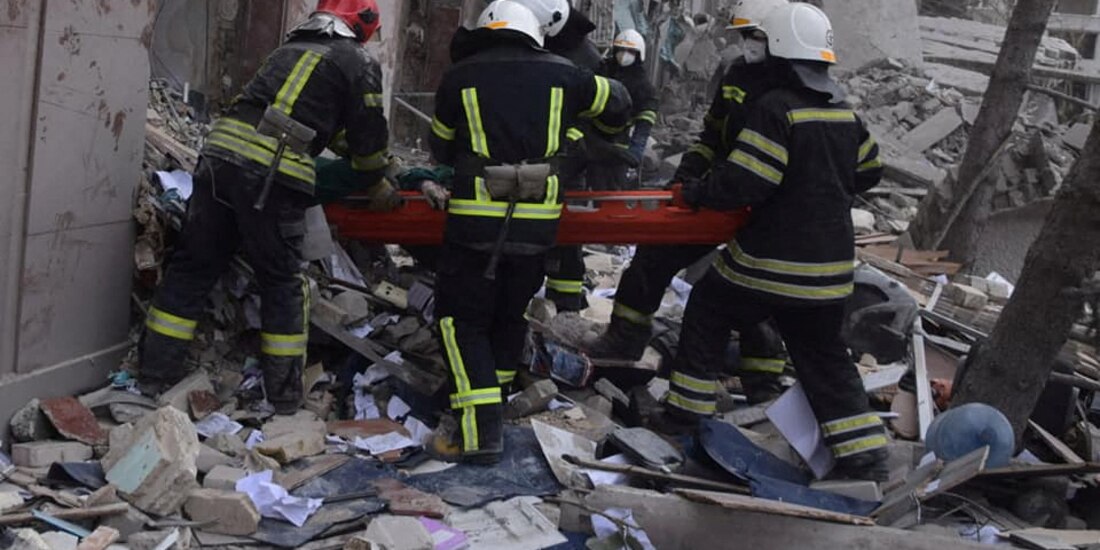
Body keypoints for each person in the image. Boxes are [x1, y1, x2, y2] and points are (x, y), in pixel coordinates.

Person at [138, 0, 398, 415]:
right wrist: (378, 176)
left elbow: (297, 115)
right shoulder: (357, 62)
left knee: (193, 266)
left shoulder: (287, 50)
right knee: (281, 283)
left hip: (218, 159)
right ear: (363, 25)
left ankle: (152, 376)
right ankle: (285, 398)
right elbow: (368, 148)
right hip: (271, 175)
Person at [665, 3, 889, 476]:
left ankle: (686, 414)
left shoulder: (775, 110)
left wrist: (696, 190)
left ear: (782, 49)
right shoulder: (842, 111)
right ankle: (865, 455)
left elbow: (745, 183)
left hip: (771, 260)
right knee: (823, 354)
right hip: (829, 272)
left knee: (708, 305)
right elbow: (869, 171)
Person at [427, 0, 630, 464]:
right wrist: (582, 135)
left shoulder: (460, 76)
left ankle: (480, 433)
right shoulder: (567, 74)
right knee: (507, 315)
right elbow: (619, 100)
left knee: (460, 323)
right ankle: (494, 398)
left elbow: (439, 144)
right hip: (538, 225)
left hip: (475, 224)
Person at [586, 0, 789, 403]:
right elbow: (713, 135)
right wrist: (687, 179)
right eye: (746, 35)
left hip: (766, 206)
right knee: (653, 257)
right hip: (717, 195)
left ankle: (763, 385)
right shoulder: (737, 75)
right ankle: (624, 339)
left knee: (752, 293)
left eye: (757, 36)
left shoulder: (792, 89)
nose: (749, 44)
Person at [587, 29, 658, 191]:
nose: (624, 55)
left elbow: (646, 118)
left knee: (616, 186)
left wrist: (637, 149)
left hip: (620, 140)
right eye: (620, 49)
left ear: (639, 54)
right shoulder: (602, 70)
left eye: (630, 51)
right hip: (593, 137)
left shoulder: (643, 84)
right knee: (591, 183)